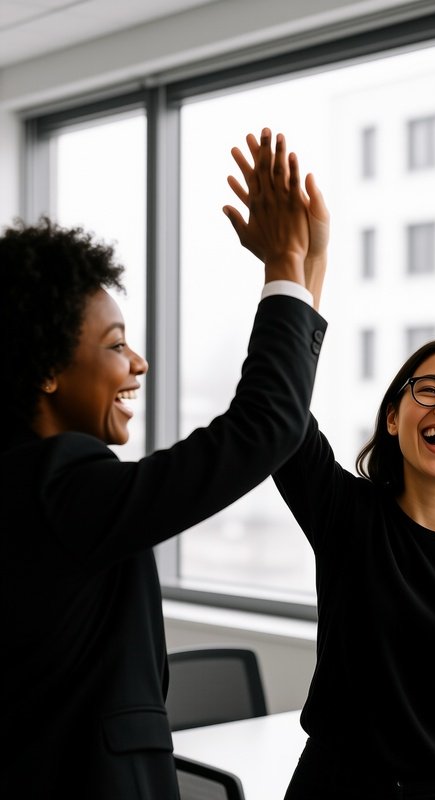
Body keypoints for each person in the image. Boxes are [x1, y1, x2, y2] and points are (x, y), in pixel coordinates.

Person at [0, 128, 328, 800]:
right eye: (117, 345)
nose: (139, 364)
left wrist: (304, 267)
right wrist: (285, 266)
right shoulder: (59, 488)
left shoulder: (24, 484)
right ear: (49, 370)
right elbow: (262, 429)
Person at [226, 137, 435, 799]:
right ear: (394, 419)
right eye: (426, 390)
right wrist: (296, 272)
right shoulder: (346, 514)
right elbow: (277, 412)